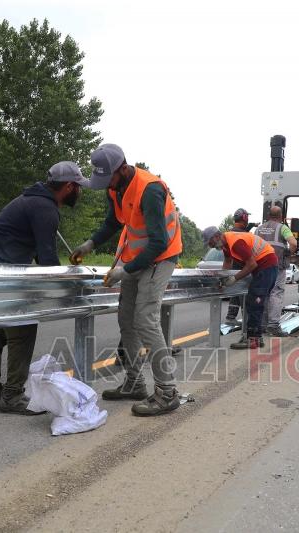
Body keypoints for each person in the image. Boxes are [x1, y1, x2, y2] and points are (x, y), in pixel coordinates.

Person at [70, 144, 183, 416]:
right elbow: (113, 222)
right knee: (126, 318)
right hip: (137, 256)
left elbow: (158, 242)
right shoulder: (115, 186)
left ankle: (167, 392)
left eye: (108, 178)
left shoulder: (151, 189)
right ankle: (134, 382)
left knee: (145, 318)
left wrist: (124, 270)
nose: (106, 184)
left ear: (122, 169)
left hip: (161, 256)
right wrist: (89, 244)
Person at [0, 161, 88, 414]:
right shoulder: (45, 208)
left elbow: (36, 251)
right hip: (7, 272)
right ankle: (12, 395)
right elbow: (47, 258)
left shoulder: (29, 201)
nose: (80, 192)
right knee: (21, 330)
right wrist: (68, 288)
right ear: (68, 186)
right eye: (78, 187)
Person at [202, 226, 278, 350]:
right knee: (255, 302)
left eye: (211, 243)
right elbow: (227, 261)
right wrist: (222, 278)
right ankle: (256, 338)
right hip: (266, 267)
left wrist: (234, 278)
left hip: (266, 266)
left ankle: (253, 340)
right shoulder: (227, 244)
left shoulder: (236, 243)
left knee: (254, 302)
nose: (212, 247)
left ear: (216, 236)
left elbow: (252, 264)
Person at [255, 205, 298, 337]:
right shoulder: (282, 228)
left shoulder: (259, 229)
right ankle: (273, 326)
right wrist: (289, 253)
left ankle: (261, 325)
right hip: (276, 266)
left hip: (260, 266)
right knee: (276, 293)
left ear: (268, 215)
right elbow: (294, 243)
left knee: (263, 293)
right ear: (280, 217)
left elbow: (253, 245)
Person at [224, 208, 251, 325]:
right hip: (244, 269)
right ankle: (247, 321)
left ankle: (230, 316)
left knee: (235, 294)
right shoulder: (245, 234)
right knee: (245, 295)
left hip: (233, 268)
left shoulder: (229, 233)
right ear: (244, 218)